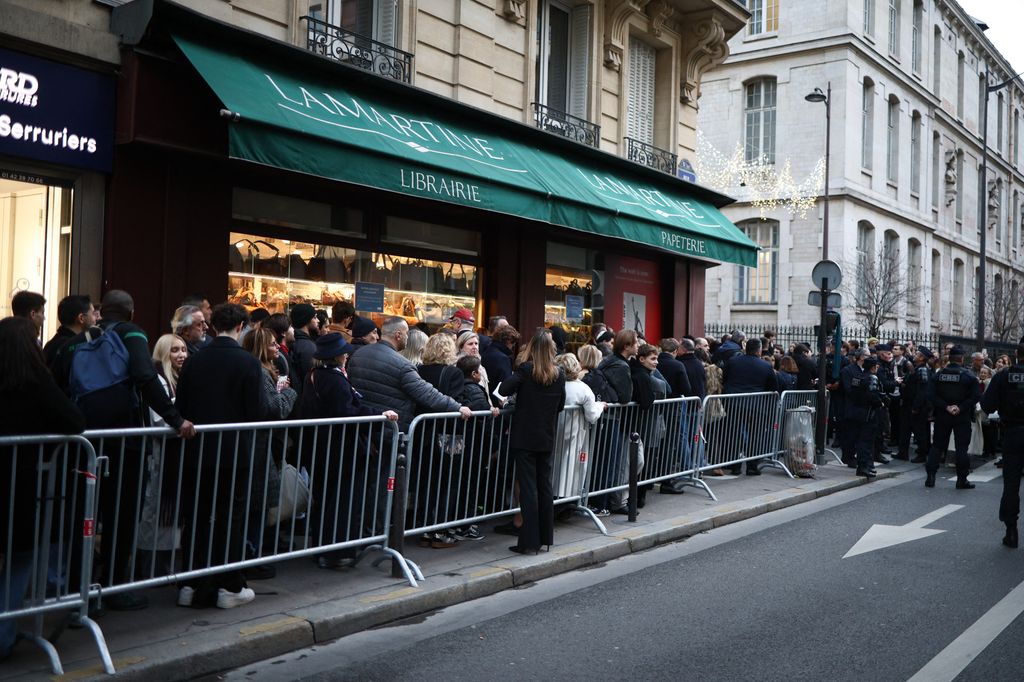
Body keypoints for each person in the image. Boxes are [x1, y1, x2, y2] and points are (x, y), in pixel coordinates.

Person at [53, 289, 195, 611]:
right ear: (130, 312)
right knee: (121, 515)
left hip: (84, 441)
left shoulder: (74, 343)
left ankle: (79, 591)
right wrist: (175, 419)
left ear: (102, 312)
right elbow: (146, 377)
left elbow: (58, 385)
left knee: (84, 516)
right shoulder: (133, 333)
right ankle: (116, 588)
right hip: (125, 442)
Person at [0, 317, 85, 660]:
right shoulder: (35, 381)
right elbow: (74, 421)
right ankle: (3, 635)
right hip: (19, 482)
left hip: (17, 478)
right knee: (19, 560)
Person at [175, 303, 269, 609]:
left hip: (198, 450)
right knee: (231, 517)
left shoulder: (194, 361)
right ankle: (229, 585)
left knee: (197, 517)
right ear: (241, 327)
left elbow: (182, 405)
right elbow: (256, 411)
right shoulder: (248, 363)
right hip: (235, 452)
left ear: (213, 327)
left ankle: (191, 583)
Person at [297, 332, 398, 568]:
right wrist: (378, 415)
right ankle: (337, 552)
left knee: (327, 500)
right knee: (342, 502)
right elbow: (347, 411)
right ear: (339, 356)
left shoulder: (316, 375)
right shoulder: (333, 379)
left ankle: (324, 550)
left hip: (325, 448)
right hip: (341, 449)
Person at [497, 330, 566, 554]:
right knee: (544, 486)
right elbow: (561, 405)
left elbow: (503, 389)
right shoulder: (559, 373)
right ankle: (546, 537)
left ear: (532, 349)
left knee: (528, 489)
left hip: (525, 436)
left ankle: (529, 541)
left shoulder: (526, 370)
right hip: (546, 435)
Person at [347, 317, 471, 435]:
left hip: (362, 426)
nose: (408, 337)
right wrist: (456, 407)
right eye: (407, 333)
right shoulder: (402, 364)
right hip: (390, 429)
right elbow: (425, 392)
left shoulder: (357, 355)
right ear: (398, 335)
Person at [980, 343, 1024, 548]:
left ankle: (1011, 530)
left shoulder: (1003, 376)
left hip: (1013, 433)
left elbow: (987, 405)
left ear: (1016, 354)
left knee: (1011, 484)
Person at [925, 345, 980, 489]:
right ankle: (962, 479)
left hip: (943, 415)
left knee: (937, 446)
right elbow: (975, 397)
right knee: (961, 448)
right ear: (962, 359)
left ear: (949, 358)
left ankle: (930, 476)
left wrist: (945, 406)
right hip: (961, 416)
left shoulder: (938, 375)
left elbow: (930, 395)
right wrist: (959, 407)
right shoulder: (969, 377)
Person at [552, 353, 605, 503]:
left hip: (554, 431)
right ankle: (567, 500)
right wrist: (600, 406)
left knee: (556, 466)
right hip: (575, 433)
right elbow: (592, 415)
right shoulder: (583, 389)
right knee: (571, 468)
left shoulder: (553, 385)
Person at [722, 337, 779, 475]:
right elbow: (773, 386)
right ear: (759, 350)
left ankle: (734, 465)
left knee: (733, 434)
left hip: (734, 403)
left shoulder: (733, 361)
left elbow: (725, 378)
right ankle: (752, 466)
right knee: (755, 436)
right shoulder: (766, 366)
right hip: (757, 405)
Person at [840, 350, 880, 478]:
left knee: (862, 440)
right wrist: (880, 402)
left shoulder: (861, 376)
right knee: (863, 440)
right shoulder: (870, 377)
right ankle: (862, 466)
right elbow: (871, 395)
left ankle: (866, 465)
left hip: (859, 410)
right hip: (865, 412)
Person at [897, 347, 934, 463]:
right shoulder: (916, 368)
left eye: (917, 354)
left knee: (919, 431)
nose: (915, 355)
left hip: (915, 406)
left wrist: (916, 407)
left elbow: (922, 391)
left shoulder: (922, 370)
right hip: (909, 404)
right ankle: (902, 453)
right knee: (905, 429)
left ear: (922, 358)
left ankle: (922, 454)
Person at [43, 295, 98, 368]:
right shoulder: (75, 347)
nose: (97, 318)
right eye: (93, 314)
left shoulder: (50, 344)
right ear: (81, 318)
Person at [481, 324, 519, 401]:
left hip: (486, 397)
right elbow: (505, 382)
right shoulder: (503, 358)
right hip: (498, 400)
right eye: (513, 342)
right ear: (508, 340)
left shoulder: (486, 351)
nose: (514, 345)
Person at [289, 303, 319, 393]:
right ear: (307, 320)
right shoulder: (307, 346)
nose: (318, 320)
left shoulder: (294, 340)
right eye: (314, 317)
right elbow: (310, 377)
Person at [457, 331, 490, 397]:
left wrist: (490, 406)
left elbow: (486, 393)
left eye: (476, 343)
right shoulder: (457, 365)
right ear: (461, 347)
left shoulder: (480, 365)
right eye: (470, 344)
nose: (474, 347)